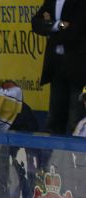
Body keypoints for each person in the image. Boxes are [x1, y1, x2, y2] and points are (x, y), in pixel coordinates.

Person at [31, 0, 86, 134]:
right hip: (56, 67)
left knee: (76, 120)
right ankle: (51, 154)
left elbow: (78, 31)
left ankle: (78, 154)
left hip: (77, 68)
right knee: (54, 119)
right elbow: (36, 23)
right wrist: (58, 25)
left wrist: (50, 29)